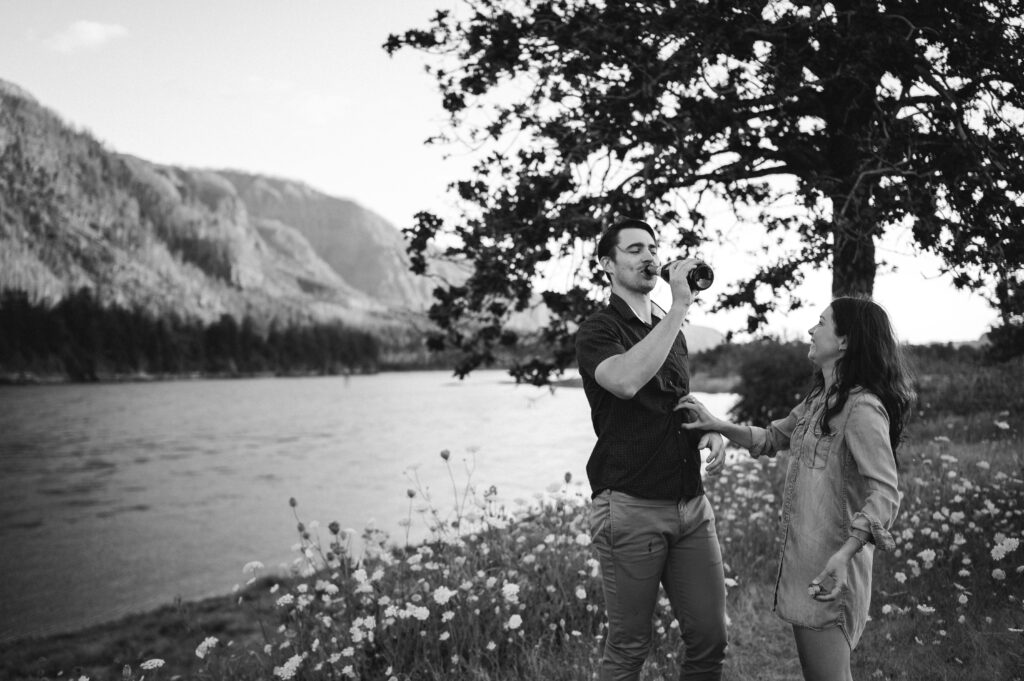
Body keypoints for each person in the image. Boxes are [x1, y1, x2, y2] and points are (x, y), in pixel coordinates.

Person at [676, 296, 915, 681]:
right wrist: (717, 424)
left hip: (831, 569)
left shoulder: (862, 407)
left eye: (821, 323)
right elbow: (771, 437)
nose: (810, 329)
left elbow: (885, 493)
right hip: (806, 567)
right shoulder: (820, 400)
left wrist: (844, 555)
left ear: (844, 341)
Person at [575, 218, 729, 681]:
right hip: (629, 505)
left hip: (690, 505)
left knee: (710, 638)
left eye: (653, 248)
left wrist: (708, 420)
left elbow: (673, 395)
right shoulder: (597, 331)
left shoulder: (670, 329)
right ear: (608, 264)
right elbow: (624, 381)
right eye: (634, 249)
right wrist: (680, 307)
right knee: (629, 649)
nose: (649, 256)